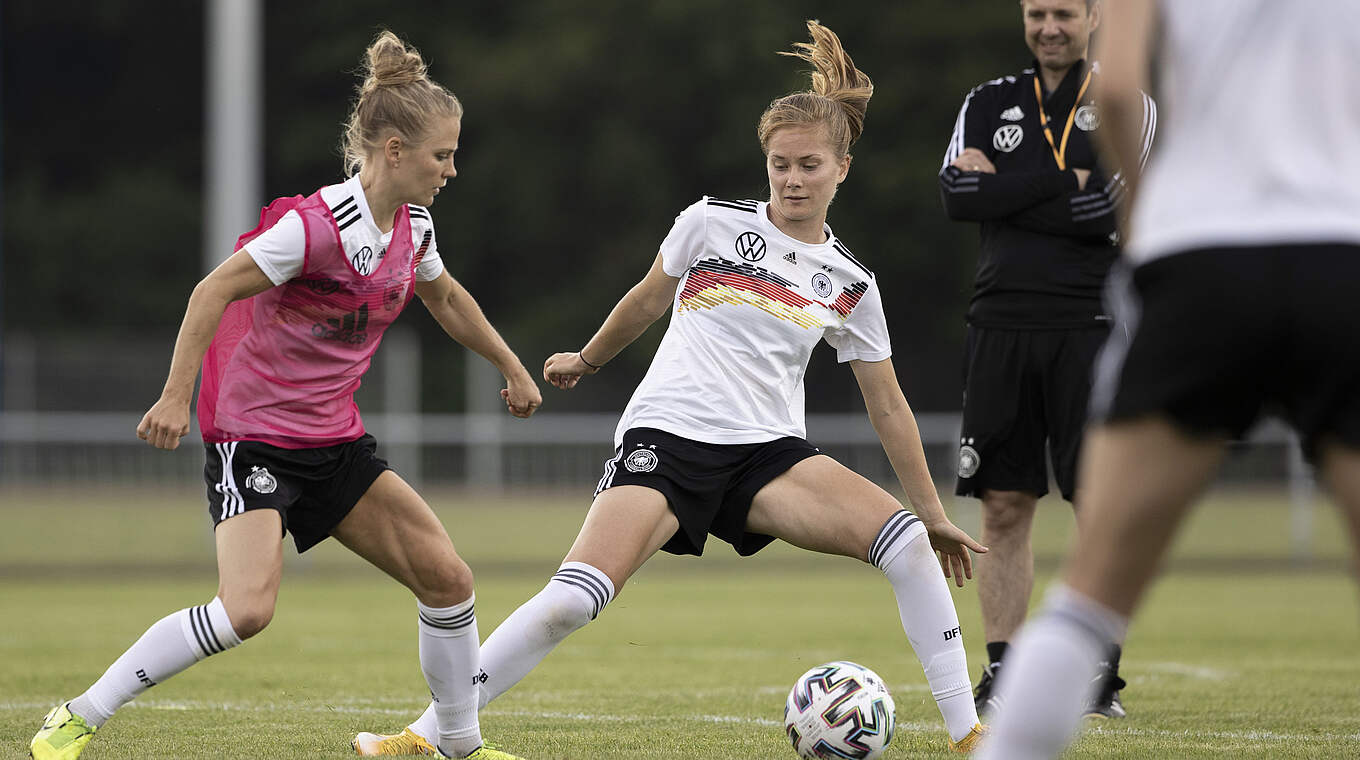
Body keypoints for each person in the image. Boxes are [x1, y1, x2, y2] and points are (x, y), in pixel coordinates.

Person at [352, 20, 989, 756]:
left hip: (767, 457)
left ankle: (968, 736)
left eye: (808, 165)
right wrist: (587, 359)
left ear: (842, 168)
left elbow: (887, 404)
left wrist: (934, 510)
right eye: (779, 164)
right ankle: (425, 737)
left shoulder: (851, 284)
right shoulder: (710, 224)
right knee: (572, 602)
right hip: (669, 438)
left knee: (907, 543)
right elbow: (647, 299)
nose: (790, 179)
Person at [29, 31, 540, 760]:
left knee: (449, 580)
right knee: (246, 611)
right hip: (257, 435)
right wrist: (177, 396)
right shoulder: (314, 227)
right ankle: (77, 715)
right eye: (442, 155)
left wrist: (512, 367)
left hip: (333, 440)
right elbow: (213, 290)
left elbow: (448, 299)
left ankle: (457, 745)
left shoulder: (415, 226)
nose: (453, 169)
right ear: (394, 150)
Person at [973, 0, 1360, 757]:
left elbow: (1113, 90)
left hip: (1200, 255)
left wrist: (1149, 217)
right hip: (1340, 251)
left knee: (1091, 594)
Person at [937, 0, 1155, 718]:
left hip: (1092, 327)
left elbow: (1111, 213)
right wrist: (1067, 183)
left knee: (1099, 502)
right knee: (1003, 506)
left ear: (1094, 18)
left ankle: (1098, 678)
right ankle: (1003, 674)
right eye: (1037, 13)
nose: (1049, 26)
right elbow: (956, 197)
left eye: (1064, 12)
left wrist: (1001, 186)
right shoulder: (987, 101)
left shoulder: (1129, 103)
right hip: (999, 325)